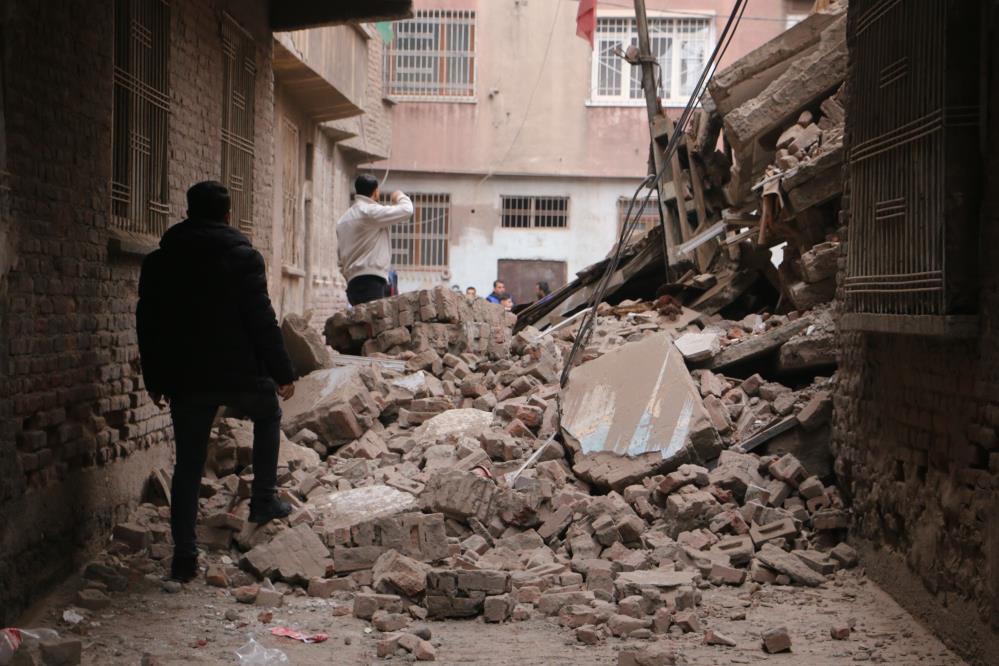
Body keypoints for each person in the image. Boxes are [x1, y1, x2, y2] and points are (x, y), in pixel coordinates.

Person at [136, 181, 296, 583]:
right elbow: (262, 319)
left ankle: (184, 558)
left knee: (188, 464)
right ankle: (262, 501)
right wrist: (282, 373)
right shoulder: (244, 257)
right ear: (228, 214)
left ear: (188, 212)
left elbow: (149, 325)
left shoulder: (161, 261)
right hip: (242, 373)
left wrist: (155, 378)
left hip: (188, 379)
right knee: (268, 414)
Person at [337, 174, 413, 306]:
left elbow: (340, 258)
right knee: (374, 324)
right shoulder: (370, 212)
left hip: (352, 284)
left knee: (360, 325)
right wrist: (399, 195)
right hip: (371, 283)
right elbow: (407, 210)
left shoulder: (343, 220)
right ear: (376, 192)